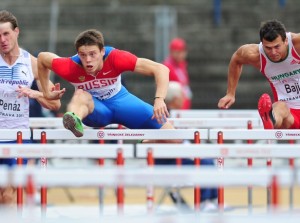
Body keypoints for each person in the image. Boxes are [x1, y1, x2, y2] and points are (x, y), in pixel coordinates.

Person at [37, 29, 176, 138]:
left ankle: (146, 140)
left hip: (121, 101)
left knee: (174, 137)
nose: (88, 60)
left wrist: (159, 99)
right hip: (96, 110)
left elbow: (161, 69)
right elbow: (42, 58)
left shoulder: (116, 58)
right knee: (81, 94)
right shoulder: (70, 66)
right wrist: (46, 92)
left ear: (102, 51)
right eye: (83, 55)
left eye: (93, 54)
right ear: (78, 54)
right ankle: (74, 120)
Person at [0, 10, 62, 204]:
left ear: (16, 32)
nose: (2, 39)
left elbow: (54, 103)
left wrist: (34, 93)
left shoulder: (33, 63)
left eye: (6, 33)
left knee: (8, 194)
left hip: (18, 137)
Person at [218, 20, 300, 130]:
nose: (273, 52)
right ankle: (270, 119)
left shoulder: (297, 44)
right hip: (289, 115)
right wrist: (230, 93)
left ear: (285, 41)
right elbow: (236, 60)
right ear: (261, 43)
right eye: (268, 48)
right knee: (280, 106)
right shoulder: (254, 54)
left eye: (277, 46)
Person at [156, 81, 218, 211]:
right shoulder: (164, 115)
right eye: (181, 96)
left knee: (207, 161)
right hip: (167, 161)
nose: (184, 99)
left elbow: (181, 141)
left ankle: (211, 201)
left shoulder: (176, 114)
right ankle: (205, 202)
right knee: (205, 164)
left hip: (177, 156)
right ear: (175, 99)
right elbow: (173, 142)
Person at [163, 38, 192, 109]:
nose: (181, 55)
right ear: (171, 52)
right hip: (173, 108)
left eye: (183, 52)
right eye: (178, 52)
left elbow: (185, 84)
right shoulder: (167, 66)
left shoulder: (182, 64)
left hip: (184, 106)